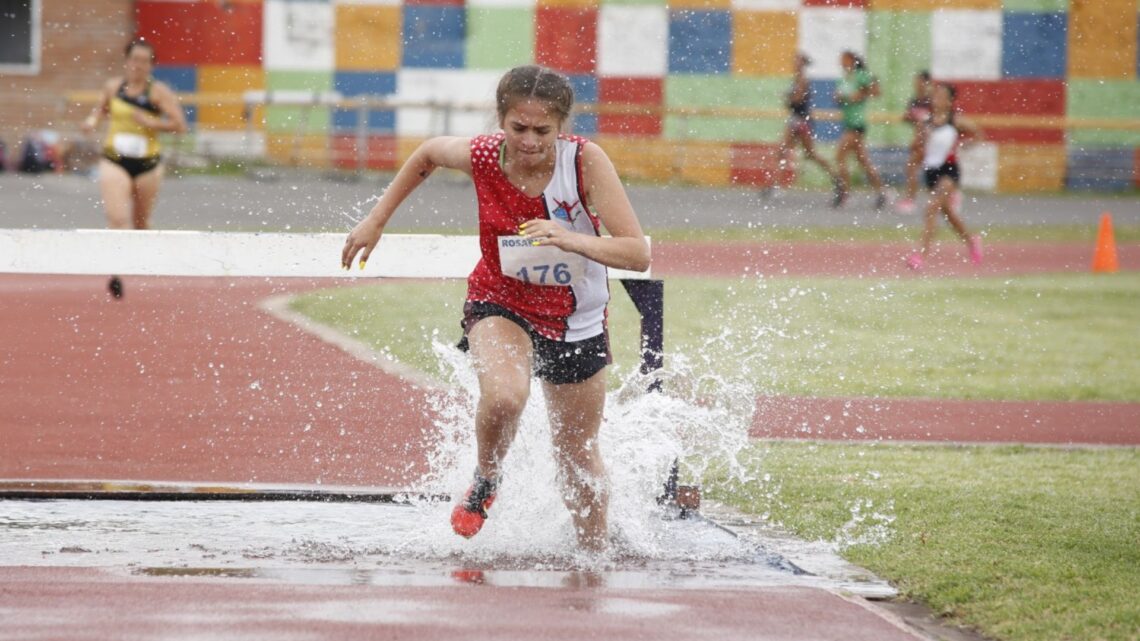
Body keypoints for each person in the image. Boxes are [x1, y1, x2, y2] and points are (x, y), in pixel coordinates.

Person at [341, 65, 650, 552]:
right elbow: (427, 153)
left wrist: (569, 238)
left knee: (577, 454)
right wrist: (375, 220)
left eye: (542, 131)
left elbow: (636, 253)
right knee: (506, 397)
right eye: (518, 128)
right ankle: (487, 477)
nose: (529, 142)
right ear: (501, 120)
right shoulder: (484, 155)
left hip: (577, 318)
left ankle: (593, 557)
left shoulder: (584, 162)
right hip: (501, 300)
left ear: (562, 126)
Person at [80, 39, 188, 299]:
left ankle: (146, 265)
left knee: (140, 222)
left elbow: (180, 125)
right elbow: (100, 110)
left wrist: (152, 122)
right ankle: (117, 272)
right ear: (126, 61)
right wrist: (91, 122)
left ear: (151, 65)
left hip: (147, 164)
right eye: (134, 60)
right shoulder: (113, 87)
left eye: (144, 61)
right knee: (118, 219)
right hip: (115, 160)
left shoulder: (158, 92)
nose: (138, 66)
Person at [906, 82, 983, 270]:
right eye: (935, 95)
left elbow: (977, 134)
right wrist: (922, 140)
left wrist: (965, 145)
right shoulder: (925, 122)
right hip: (931, 171)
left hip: (949, 170)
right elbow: (914, 147)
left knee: (931, 208)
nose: (936, 99)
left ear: (949, 101)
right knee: (947, 213)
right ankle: (971, 240)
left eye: (941, 96)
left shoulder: (955, 121)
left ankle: (921, 254)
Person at [773, 53, 840, 202]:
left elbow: (797, 100)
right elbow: (794, 100)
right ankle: (776, 185)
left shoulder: (803, 80)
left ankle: (836, 177)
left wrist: (787, 97)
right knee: (785, 151)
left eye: (797, 62)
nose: (794, 64)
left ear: (802, 64)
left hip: (801, 121)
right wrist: (789, 98)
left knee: (809, 154)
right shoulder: (797, 79)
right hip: (796, 119)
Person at [833, 51, 888, 210]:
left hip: (857, 124)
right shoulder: (842, 79)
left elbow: (876, 90)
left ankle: (845, 193)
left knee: (840, 156)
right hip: (848, 122)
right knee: (863, 161)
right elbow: (840, 99)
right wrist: (839, 98)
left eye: (843, 59)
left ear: (851, 60)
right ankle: (881, 192)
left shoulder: (860, 75)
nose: (841, 62)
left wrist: (862, 94)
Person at [895, 71, 934, 214]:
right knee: (912, 167)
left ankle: (913, 199)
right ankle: (911, 199)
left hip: (931, 140)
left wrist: (922, 134)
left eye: (920, 82)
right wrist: (911, 118)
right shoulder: (915, 100)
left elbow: (934, 121)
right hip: (920, 139)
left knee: (932, 169)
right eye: (916, 82)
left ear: (927, 83)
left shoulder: (931, 101)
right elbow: (907, 117)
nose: (917, 85)